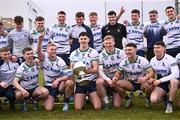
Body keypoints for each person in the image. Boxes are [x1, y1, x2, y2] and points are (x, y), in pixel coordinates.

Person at [37, 33, 74, 112]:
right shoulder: (44, 58)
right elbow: (38, 52)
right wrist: (40, 41)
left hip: (59, 85)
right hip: (49, 85)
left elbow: (68, 75)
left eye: (55, 49)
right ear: (47, 51)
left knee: (70, 82)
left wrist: (58, 80)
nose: (54, 51)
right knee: (49, 108)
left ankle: (66, 102)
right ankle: (45, 100)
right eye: (51, 49)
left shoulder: (60, 60)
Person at [112, 43, 155, 108]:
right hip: (131, 83)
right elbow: (118, 73)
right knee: (114, 84)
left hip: (142, 83)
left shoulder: (143, 60)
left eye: (129, 50)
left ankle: (148, 98)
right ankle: (128, 99)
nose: (127, 52)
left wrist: (145, 78)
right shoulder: (124, 62)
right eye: (126, 50)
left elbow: (151, 72)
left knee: (150, 85)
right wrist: (115, 78)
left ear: (135, 50)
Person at [70, 32, 101, 110]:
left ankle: (90, 96)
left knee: (97, 107)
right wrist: (77, 71)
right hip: (80, 82)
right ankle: (85, 97)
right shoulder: (74, 53)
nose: (83, 40)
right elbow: (71, 70)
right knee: (78, 108)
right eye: (81, 39)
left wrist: (84, 70)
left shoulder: (93, 52)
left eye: (85, 39)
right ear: (78, 40)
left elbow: (95, 69)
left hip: (91, 81)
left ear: (88, 40)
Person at [13, 47, 49, 112]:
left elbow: (43, 59)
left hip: (35, 88)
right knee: (18, 95)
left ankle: (34, 101)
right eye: (28, 54)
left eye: (32, 53)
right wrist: (22, 90)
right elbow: (15, 82)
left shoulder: (36, 63)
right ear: (24, 56)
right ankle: (23, 104)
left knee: (45, 92)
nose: (30, 55)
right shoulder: (21, 68)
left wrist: (38, 62)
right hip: (25, 88)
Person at [96, 35, 126, 110]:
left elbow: (125, 68)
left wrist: (117, 79)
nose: (108, 45)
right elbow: (100, 71)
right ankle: (106, 101)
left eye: (110, 43)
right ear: (103, 44)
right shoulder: (101, 55)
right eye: (106, 43)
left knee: (116, 105)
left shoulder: (121, 53)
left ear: (114, 43)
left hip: (117, 80)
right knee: (99, 82)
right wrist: (108, 80)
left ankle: (127, 97)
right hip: (107, 79)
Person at [150, 41, 179, 113]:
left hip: (175, 81)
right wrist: (151, 78)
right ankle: (166, 98)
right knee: (154, 100)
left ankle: (170, 104)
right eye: (155, 48)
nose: (156, 49)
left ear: (164, 49)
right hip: (163, 82)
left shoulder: (170, 59)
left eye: (158, 48)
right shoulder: (152, 60)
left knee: (173, 81)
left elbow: (176, 74)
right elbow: (152, 72)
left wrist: (160, 80)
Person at [0, 47, 19, 111]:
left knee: (10, 95)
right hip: (2, 84)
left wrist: (17, 58)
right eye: (5, 54)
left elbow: (25, 61)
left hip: (12, 85)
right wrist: (0, 82)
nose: (7, 56)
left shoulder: (16, 62)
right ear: (0, 55)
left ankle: (12, 104)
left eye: (8, 54)